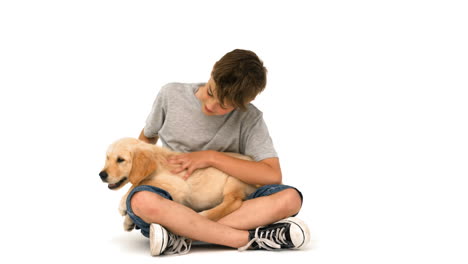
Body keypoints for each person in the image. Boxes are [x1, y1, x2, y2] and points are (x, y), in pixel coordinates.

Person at [126, 49, 310, 256]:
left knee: (291, 198)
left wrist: (211, 157)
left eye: (223, 105)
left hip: (224, 204)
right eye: (211, 92)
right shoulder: (171, 94)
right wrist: (138, 179)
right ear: (212, 71)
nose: (210, 105)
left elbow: (272, 175)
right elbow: (147, 138)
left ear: (244, 104)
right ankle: (249, 239)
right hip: (174, 199)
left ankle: (178, 236)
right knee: (141, 200)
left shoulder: (250, 119)